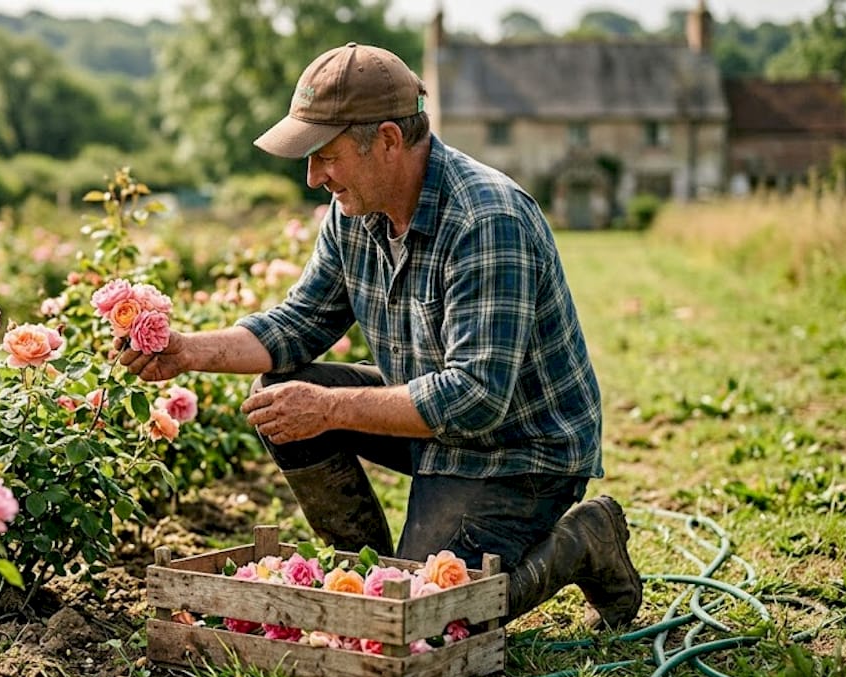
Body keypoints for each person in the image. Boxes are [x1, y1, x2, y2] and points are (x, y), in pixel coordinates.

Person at [118, 42, 642, 627]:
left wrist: (330, 408)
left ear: (389, 140)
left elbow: (475, 397)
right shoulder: (355, 217)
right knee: (282, 393)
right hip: (434, 422)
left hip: (519, 446)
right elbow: (298, 324)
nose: (314, 176)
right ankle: (366, 573)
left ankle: (585, 540)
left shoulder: (485, 220)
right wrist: (186, 351)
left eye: (325, 154)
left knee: (431, 621)